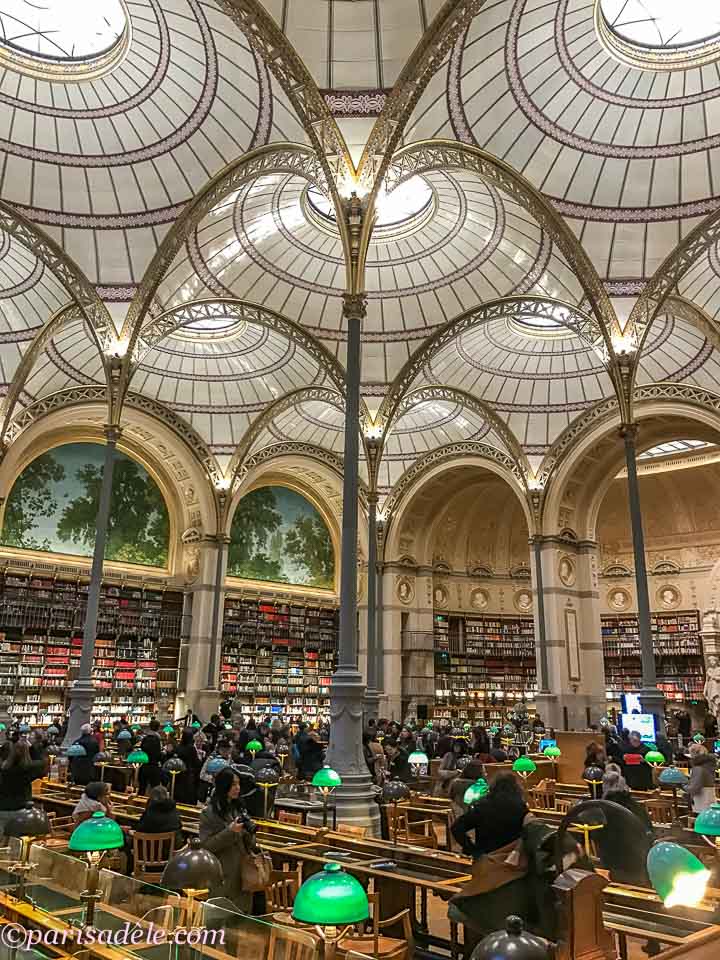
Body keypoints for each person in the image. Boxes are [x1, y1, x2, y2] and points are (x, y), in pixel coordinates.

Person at [198, 767, 258, 912]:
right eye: (233, 785)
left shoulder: (238, 809)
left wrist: (248, 833)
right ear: (223, 786)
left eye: (238, 784)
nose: (237, 788)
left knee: (242, 919)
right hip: (222, 874)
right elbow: (206, 846)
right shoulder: (209, 813)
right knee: (219, 918)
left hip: (243, 874)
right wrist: (230, 832)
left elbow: (250, 843)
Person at [597, 766, 655, 884]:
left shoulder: (604, 809)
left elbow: (600, 837)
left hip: (618, 865)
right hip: (641, 861)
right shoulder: (636, 806)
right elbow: (649, 830)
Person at [451, 774, 528, 858]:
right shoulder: (520, 808)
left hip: (486, 858)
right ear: (517, 789)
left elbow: (456, 827)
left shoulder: (482, 807)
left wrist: (472, 849)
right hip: (511, 859)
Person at [0, 740, 48, 837]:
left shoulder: (4, 769)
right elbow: (43, 764)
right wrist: (32, 749)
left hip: (2, 809)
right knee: (16, 842)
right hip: (20, 811)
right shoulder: (27, 770)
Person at [686, 743, 717, 813]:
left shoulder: (698, 768)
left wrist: (684, 786)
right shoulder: (709, 766)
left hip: (700, 804)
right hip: (710, 800)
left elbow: (694, 788)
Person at [174, 729, 202, 805]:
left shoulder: (178, 747)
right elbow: (196, 762)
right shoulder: (191, 748)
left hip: (177, 773)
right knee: (187, 796)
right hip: (187, 774)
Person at [139, 719, 163, 794]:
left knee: (142, 787)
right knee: (155, 789)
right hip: (154, 766)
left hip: (144, 765)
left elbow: (142, 749)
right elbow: (158, 754)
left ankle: (139, 803)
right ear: (158, 728)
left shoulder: (145, 738)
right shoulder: (157, 739)